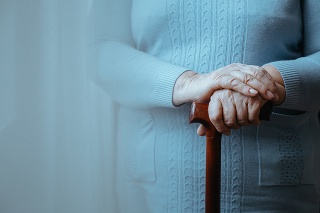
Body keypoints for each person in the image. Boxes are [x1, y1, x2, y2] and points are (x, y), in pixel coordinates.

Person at [94, 0, 320, 212]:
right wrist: (189, 82)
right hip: (151, 184)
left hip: (277, 190)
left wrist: (266, 82)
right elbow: (98, 49)